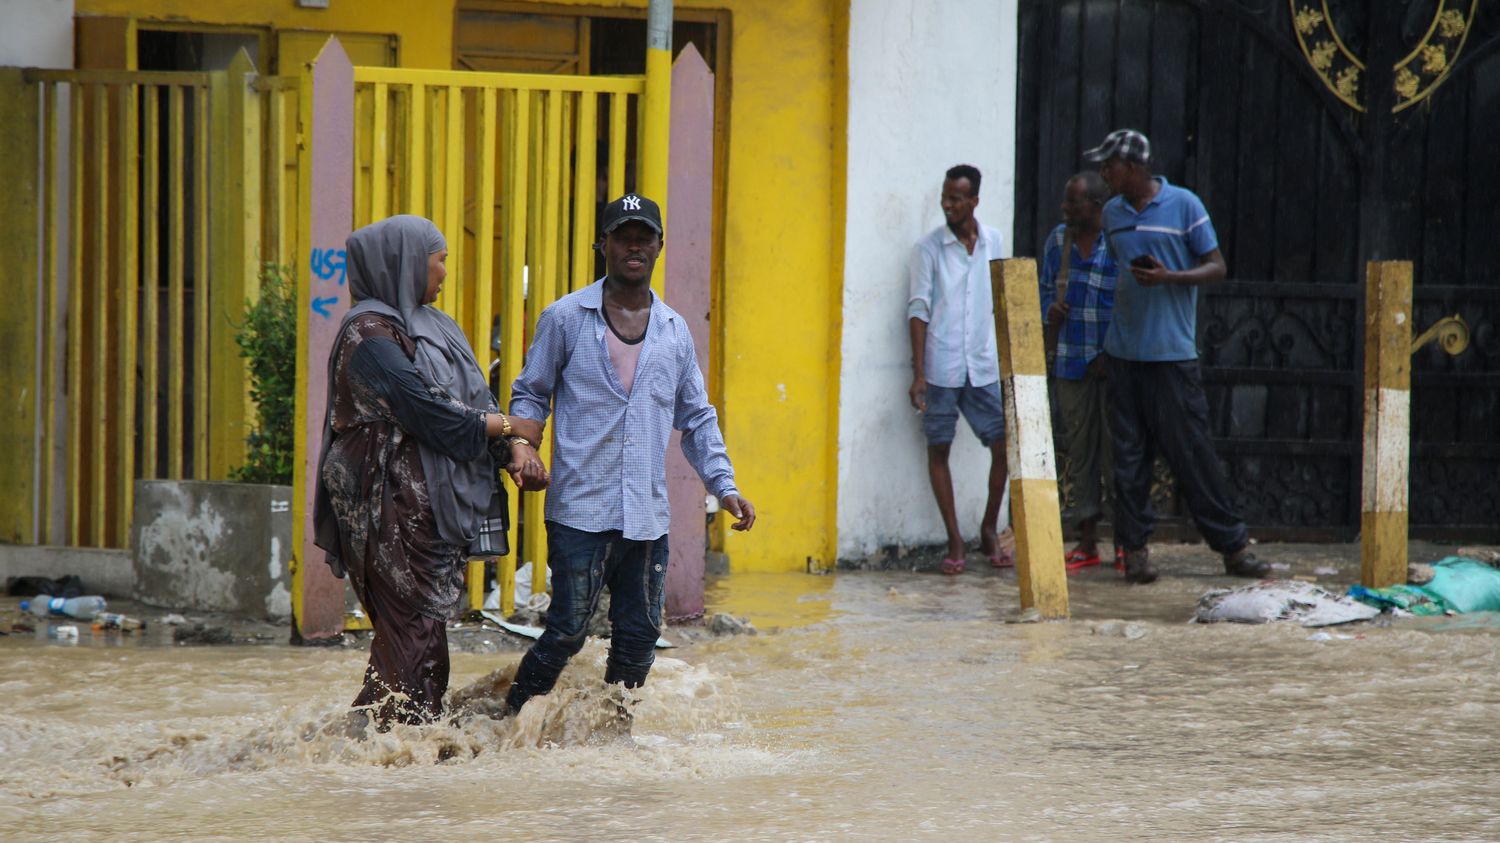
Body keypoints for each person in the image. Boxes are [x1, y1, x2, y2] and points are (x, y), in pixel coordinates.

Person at [503, 193, 755, 716]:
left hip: (646, 515)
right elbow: (530, 394)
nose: (634, 246)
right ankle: (510, 723)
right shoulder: (566, 318)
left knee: (639, 638)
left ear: (660, 247)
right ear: (604, 245)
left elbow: (697, 417)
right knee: (568, 633)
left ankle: (610, 733)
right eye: (623, 236)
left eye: (644, 237)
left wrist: (724, 486)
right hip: (579, 509)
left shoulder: (674, 332)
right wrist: (523, 446)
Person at [313, 215, 548, 728]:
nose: (444, 271)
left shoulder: (427, 326)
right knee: (416, 642)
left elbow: (469, 400)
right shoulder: (369, 335)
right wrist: (511, 424)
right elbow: (430, 411)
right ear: (405, 264)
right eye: (437, 260)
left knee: (417, 641)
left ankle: (363, 754)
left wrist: (510, 446)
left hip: (430, 516)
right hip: (387, 511)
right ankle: (398, 766)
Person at [1084, 130, 1269, 584]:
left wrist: (1171, 277)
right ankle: (1134, 551)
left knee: (1191, 454)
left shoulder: (1185, 205)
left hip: (1171, 355)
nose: (1103, 174)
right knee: (1128, 459)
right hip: (1125, 353)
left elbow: (1217, 266)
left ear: (1132, 167)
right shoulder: (1112, 213)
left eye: (1108, 166)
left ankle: (1233, 547)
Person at [907, 164, 1013, 575]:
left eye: (956, 198)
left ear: (974, 201)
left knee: (1004, 446)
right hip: (941, 366)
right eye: (945, 198)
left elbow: (1003, 298)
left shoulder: (994, 242)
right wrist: (919, 374)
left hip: (982, 365)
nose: (948, 205)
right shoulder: (928, 249)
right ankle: (954, 539)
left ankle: (989, 528)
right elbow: (918, 309)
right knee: (939, 448)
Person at [1038, 171, 1120, 572]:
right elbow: (1041, 288)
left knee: (1118, 454)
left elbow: (1133, 300)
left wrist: (1114, 351)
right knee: (1081, 454)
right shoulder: (1059, 240)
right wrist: (1047, 310)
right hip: (1070, 361)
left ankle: (1127, 542)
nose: (1065, 209)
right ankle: (1087, 543)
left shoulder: (1118, 241)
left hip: (1114, 365)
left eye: (1073, 203)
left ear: (1096, 207)